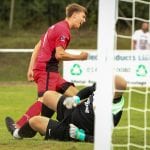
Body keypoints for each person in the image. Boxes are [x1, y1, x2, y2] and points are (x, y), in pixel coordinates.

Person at [5, 3, 88, 131]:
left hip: (49, 71)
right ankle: (18, 127)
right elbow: (59, 54)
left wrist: (30, 68)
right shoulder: (63, 30)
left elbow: (37, 47)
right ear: (74, 15)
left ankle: (83, 125)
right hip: (46, 71)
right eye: (82, 17)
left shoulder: (55, 27)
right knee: (43, 100)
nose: (84, 20)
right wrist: (79, 57)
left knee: (76, 95)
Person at [6, 75, 127, 142]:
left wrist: (82, 136)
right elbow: (90, 89)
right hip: (74, 110)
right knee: (48, 95)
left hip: (73, 130)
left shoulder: (113, 113)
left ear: (113, 91)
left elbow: (103, 139)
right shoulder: (104, 87)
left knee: (34, 121)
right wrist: (77, 99)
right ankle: (43, 128)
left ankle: (17, 133)